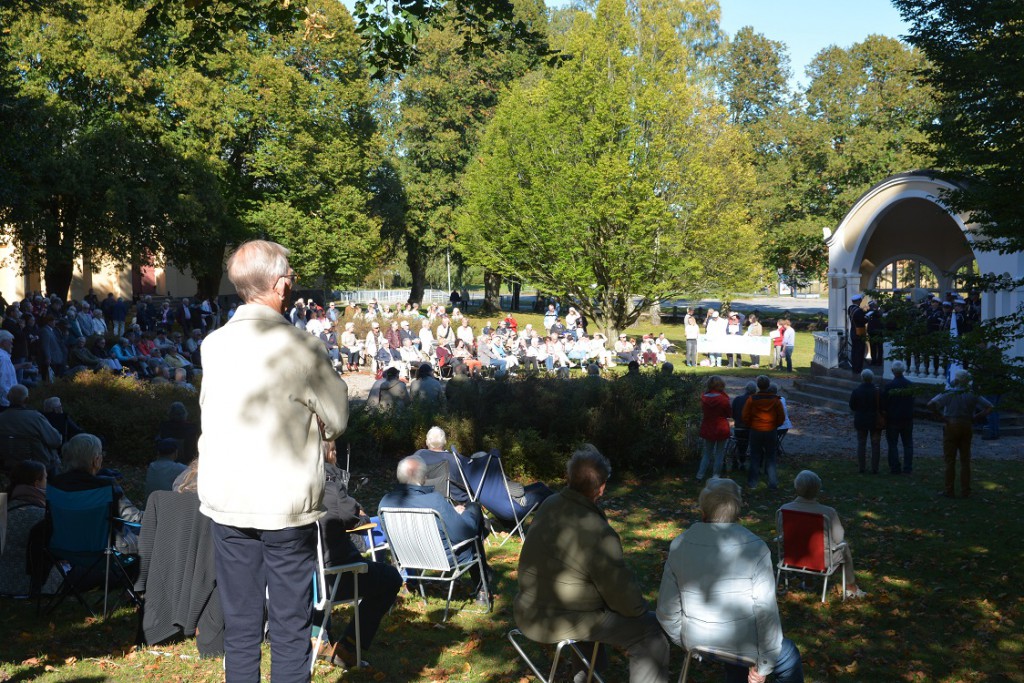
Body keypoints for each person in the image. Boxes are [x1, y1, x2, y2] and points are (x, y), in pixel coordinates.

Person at [197, 240, 350, 683]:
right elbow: (337, 416)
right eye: (291, 277)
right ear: (280, 285)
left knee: (241, 627)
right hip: (282, 504)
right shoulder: (300, 346)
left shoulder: (214, 344)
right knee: (289, 626)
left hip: (227, 498)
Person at [514, 445, 670, 683]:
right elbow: (626, 601)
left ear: (570, 477)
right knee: (650, 631)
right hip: (559, 619)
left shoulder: (550, 504)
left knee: (591, 605)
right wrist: (640, 609)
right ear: (602, 488)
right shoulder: (597, 531)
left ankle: (587, 676)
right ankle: (589, 675)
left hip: (528, 610)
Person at [657, 478, 805, 683]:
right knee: (788, 657)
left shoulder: (680, 543)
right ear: (737, 513)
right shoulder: (756, 548)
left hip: (698, 639)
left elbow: (666, 610)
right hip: (741, 643)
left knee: (741, 655)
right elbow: (766, 613)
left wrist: (684, 639)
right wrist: (764, 665)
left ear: (703, 511)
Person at [317, 442, 402, 669]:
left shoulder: (289, 484)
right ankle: (348, 646)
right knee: (390, 578)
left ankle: (316, 636)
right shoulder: (331, 486)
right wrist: (362, 516)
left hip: (301, 576)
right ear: (329, 454)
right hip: (334, 575)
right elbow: (354, 515)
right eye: (333, 451)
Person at [378, 455, 492, 606]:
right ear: (423, 477)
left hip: (407, 556)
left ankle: (412, 582)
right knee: (474, 513)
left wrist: (452, 513)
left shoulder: (385, 502)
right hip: (443, 558)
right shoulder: (434, 501)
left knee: (473, 526)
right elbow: (464, 534)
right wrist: (466, 515)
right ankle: (482, 589)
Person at [51, 433, 144, 554]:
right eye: (101, 454)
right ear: (95, 460)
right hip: (102, 551)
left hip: (63, 549)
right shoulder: (105, 485)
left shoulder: (55, 483)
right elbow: (132, 517)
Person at [779, 470, 866, 599]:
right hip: (821, 560)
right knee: (844, 547)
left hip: (792, 556)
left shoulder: (784, 509)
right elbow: (839, 538)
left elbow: (782, 533)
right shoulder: (827, 512)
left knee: (805, 542)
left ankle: (808, 583)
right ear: (818, 489)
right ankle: (851, 588)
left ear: (796, 487)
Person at [0, 460, 62, 596]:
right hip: (32, 585)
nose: (48, 482)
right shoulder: (41, 515)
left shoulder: (3, 506)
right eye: (46, 478)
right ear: (36, 483)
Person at [927, 370, 992, 498]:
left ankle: (949, 490)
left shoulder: (949, 393)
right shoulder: (972, 394)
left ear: (956, 379)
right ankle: (965, 490)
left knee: (950, 460)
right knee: (965, 460)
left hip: (951, 424)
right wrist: (976, 417)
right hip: (967, 424)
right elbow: (989, 407)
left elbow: (930, 404)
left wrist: (941, 417)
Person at [0, 384, 63, 473]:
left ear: (7, 397)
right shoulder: (36, 418)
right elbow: (56, 441)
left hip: (9, 468)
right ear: (27, 399)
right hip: (40, 469)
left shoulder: (1, 418)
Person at [742, 376, 785, 490]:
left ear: (758, 386)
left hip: (756, 430)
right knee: (771, 457)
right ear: (768, 385)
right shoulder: (776, 400)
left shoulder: (752, 399)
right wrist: (775, 425)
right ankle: (772, 483)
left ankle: (752, 482)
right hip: (771, 430)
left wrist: (751, 424)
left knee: (755, 456)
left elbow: (745, 416)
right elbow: (781, 416)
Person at [882, 360, 915, 474]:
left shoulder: (889, 386)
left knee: (893, 444)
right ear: (903, 370)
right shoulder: (910, 385)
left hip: (893, 419)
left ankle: (895, 467)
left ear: (892, 371)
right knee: (908, 444)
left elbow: (884, 403)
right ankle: (908, 467)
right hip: (907, 418)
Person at [696, 376, 731, 483]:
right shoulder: (724, 399)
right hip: (721, 427)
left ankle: (700, 475)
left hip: (708, 426)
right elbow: (729, 413)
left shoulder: (703, 398)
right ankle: (716, 476)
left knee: (707, 452)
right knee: (719, 453)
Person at [849, 369, 884, 474]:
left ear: (862, 378)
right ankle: (875, 468)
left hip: (861, 420)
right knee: (875, 444)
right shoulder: (878, 391)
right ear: (872, 378)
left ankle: (862, 467)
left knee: (861, 443)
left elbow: (852, 406)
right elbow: (882, 406)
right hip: (875, 421)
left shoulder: (856, 391)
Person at [731, 382, 756, 471]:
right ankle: (745, 462)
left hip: (738, 427)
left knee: (739, 443)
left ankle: (738, 460)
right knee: (750, 444)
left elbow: (732, 414)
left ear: (745, 389)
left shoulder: (737, 399)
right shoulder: (755, 401)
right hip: (750, 429)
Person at [848, 294, 867, 374]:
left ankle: (854, 367)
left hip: (853, 331)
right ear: (859, 301)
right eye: (860, 300)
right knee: (860, 351)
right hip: (859, 332)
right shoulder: (859, 311)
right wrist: (868, 318)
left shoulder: (850, 308)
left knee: (854, 350)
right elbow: (862, 321)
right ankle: (858, 368)